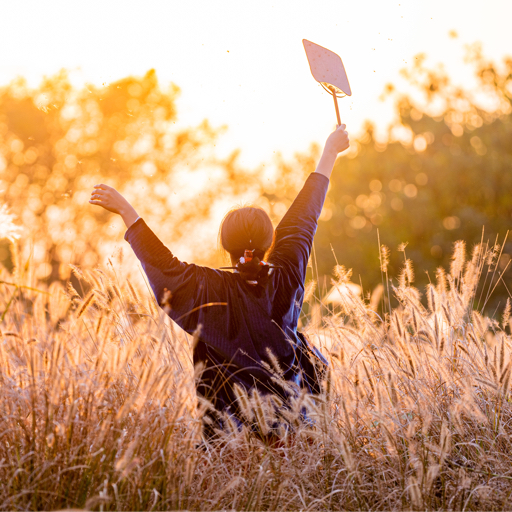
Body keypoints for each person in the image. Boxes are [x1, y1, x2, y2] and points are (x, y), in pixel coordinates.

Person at [89, 124, 350, 437]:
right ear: (270, 241)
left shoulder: (206, 287)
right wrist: (330, 152)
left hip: (231, 441)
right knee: (308, 353)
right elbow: (304, 218)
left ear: (226, 245)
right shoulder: (287, 273)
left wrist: (126, 210)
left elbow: (163, 265)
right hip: (291, 428)